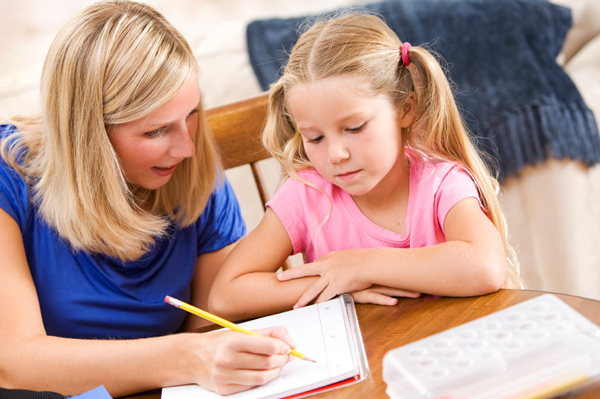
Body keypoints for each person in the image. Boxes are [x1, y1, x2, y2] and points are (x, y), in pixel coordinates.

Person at [0, 1, 297, 397]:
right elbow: (17, 364)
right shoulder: (10, 176)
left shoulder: (195, 177)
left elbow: (212, 321)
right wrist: (187, 357)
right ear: (88, 136)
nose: (187, 149)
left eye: (191, 114)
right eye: (155, 131)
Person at [209, 12, 520, 321]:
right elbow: (226, 295)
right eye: (315, 137)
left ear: (405, 109)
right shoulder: (308, 194)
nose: (336, 154)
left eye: (354, 128)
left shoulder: (442, 185)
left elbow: (485, 266)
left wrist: (362, 266)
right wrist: (337, 284)